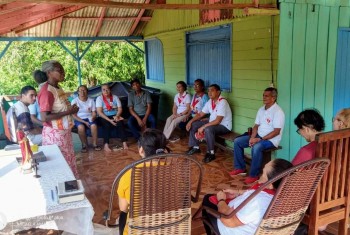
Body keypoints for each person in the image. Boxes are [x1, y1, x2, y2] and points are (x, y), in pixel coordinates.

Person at [201, 159, 293, 235]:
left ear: (270, 184)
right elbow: (254, 196)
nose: (260, 175)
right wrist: (238, 193)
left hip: (231, 228)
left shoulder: (258, 202)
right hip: (247, 219)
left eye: (263, 173)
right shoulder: (285, 195)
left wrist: (221, 200)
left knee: (207, 200)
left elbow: (229, 221)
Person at [117, 129, 169, 235]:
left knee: (122, 215)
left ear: (141, 150)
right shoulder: (178, 172)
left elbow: (123, 209)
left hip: (138, 231)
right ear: (165, 150)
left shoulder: (128, 175)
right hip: (171, 228)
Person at [230, 87, 285, 184]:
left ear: (273, 98)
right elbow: (256, 126)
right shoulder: (261, 109)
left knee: (256, 147)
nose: (264, 97)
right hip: (258, 136)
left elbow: (276, 131)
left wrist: (259, 140)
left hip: (271, 140)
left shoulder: (278, 112)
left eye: (267, 96)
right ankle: (240, 168)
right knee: (238, 141)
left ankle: (254, 175)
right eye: (263, 95)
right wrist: (252, 137)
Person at [37, 60, 79, 177]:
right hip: (54, 135)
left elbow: (61, 107)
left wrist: (71, 109)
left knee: (68, 160)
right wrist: (68, 111)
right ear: (49, 72)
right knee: (60, 164)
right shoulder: (47, 91)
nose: (63, 73)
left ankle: (70, 186)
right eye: (60, 70)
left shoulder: (58, 88)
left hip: (64, 132)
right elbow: (45, 117)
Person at [186, 84, 232, 163]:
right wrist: (190, 121)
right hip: (212, 123)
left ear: (218, 92)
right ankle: (195, 147)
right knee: (194, 124)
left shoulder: (222, 102)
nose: (209, 92)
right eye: (209, 90)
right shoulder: (210, 101)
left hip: (224, 126)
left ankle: (211, 153)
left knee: (208, 129)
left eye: (212, 90)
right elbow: (200, 114)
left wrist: (203, 127)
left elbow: (218, 121)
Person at [96, 84, 128, 152]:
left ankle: (124, 143)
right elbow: (99, 112)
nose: (105, 91)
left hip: (115, 115)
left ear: (110, 90)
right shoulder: (99, 98)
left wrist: (117, 116)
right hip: (104, 116)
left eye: (107, 89)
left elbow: (120, 109)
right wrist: (109, 120)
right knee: (106, 124)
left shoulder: (115, 97)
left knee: (120, 123)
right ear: (101, 91)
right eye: (103, 90)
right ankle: (106, 145)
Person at [71, 85, 101, 152]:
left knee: (94, 126)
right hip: (79, 118)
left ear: (87, 91)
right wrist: (84, 122)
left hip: (89, 117)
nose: (82, 92)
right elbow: (74, 115)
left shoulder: (91, 100)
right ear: (78, 92)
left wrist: (93, 117)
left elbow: (93, 112)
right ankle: (84, 145)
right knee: (81, 127)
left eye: (84, 90)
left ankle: (95, 144)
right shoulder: (74, 101)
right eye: (80, 90)